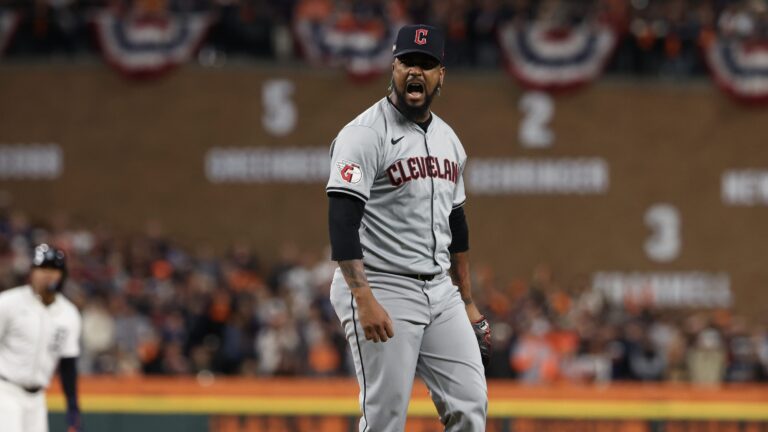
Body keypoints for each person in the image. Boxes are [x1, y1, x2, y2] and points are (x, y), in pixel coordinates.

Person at [326, 24, 490, 431]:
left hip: (439, 291)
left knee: (470, 407)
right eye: (408, 62)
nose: (416, 72)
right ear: (393, 67)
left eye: (427, 64)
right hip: (383, 284)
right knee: (385, 419)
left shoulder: (449, 139)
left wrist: (466, 300)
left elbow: (458, 224)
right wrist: (362, 297)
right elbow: (342, 219)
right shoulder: (364, 134)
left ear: (440, 75)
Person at [0, 243, 82, 432]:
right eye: (42, 268)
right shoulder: (8, 303)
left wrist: (72, 406)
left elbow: (68, 363)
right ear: (32, 272)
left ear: (62, 275)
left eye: (53, 269)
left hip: (37, 398)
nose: (47, 274)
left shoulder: (69, 314)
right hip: (5, 391)